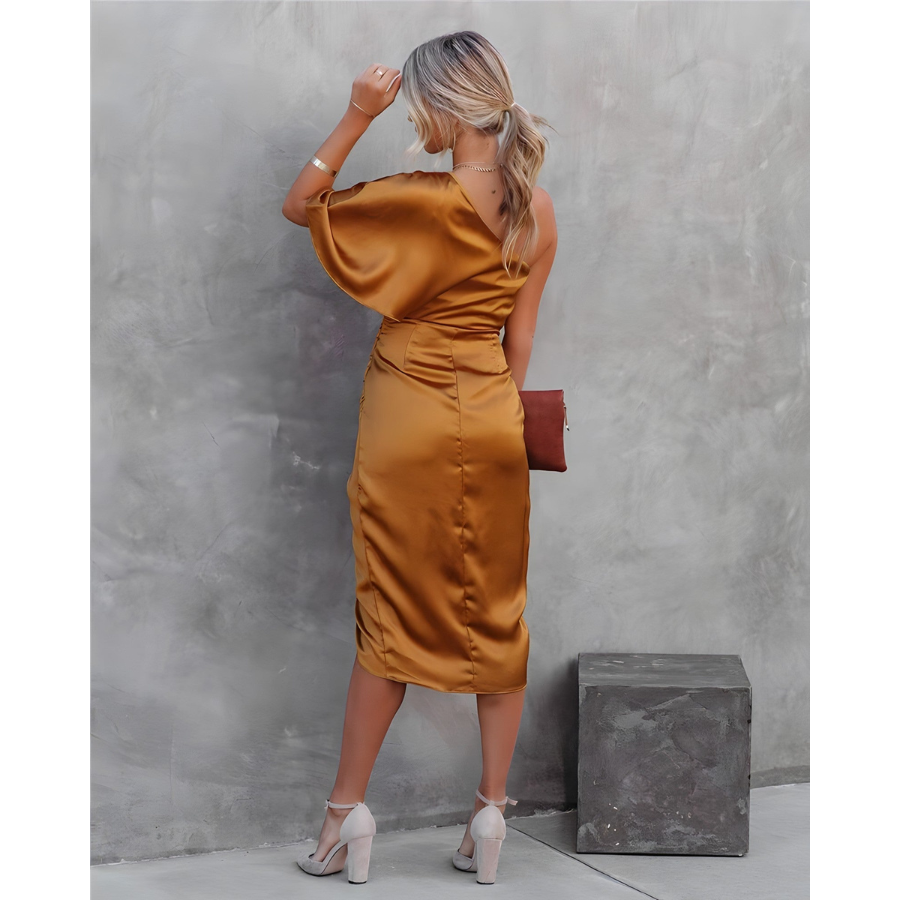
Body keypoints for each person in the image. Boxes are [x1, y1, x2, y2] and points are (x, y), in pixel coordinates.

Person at [282, 31, 558, 885]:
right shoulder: (539, 211)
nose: (412, 120)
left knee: (390, 611)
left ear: (445, 107)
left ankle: (344, 818)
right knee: (497, 612)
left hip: (407, 415)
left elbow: (302, 204)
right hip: (493, 417)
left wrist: (354, 114)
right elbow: (519, 347)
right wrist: (492, 418)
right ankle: (491, 813)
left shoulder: (416, 198)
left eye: (414, 107)